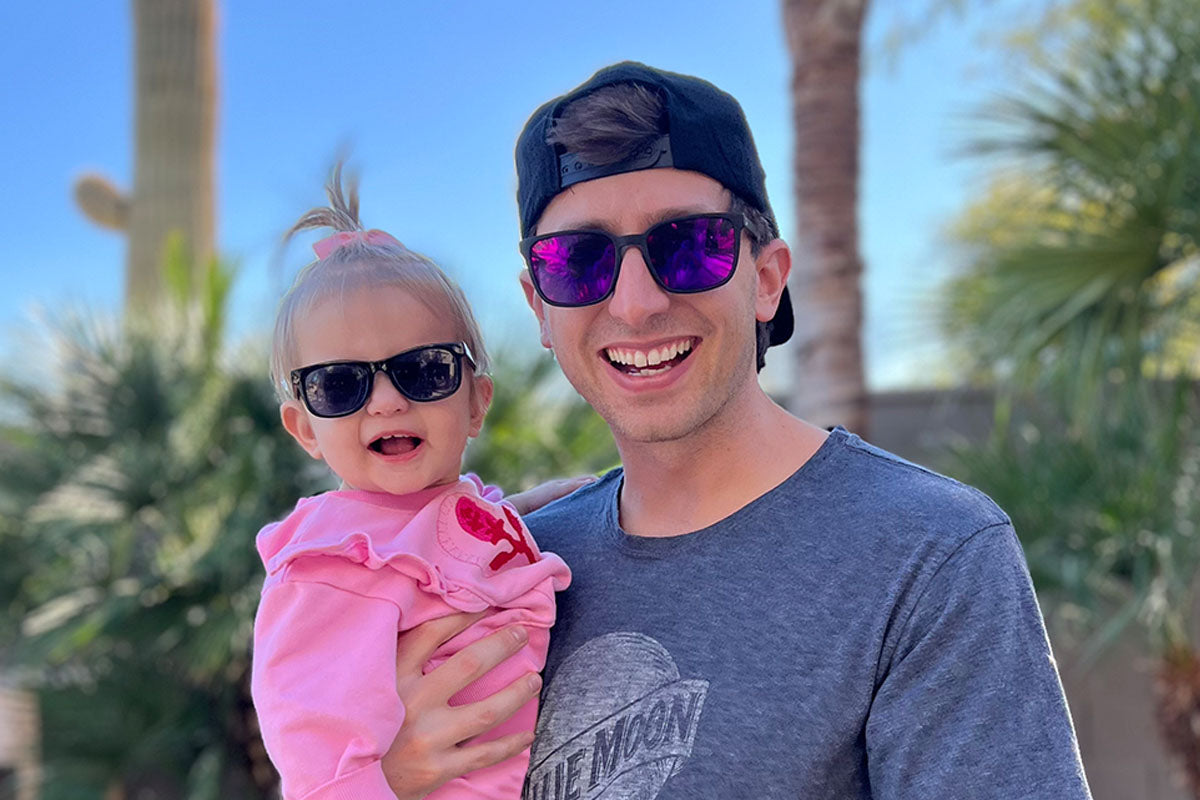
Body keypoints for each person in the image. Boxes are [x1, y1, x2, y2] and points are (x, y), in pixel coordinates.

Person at [382, 62, 1093, 799]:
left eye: (689, 245)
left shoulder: (930, 554)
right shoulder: (511, 567)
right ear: (539, 307)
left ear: (767, 279)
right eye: (579, 262)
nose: (634, 303)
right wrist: (383, 774)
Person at [250, 169, 572, 800]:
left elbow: (456, 534)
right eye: (340, 384)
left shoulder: (444, 510)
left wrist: (540, 505)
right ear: (305, 428)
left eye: (424, 371)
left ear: (476, 403)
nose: (387, 402)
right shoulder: (328, 568)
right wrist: (386, 781)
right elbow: (309, 757)